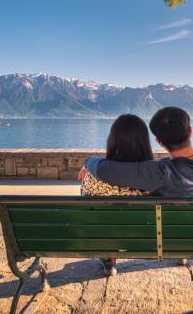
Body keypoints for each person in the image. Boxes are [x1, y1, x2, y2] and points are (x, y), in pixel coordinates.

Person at [79, 106, 193, 198]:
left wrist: (88, 161)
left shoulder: (160, 172)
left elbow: (103, 170)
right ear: (190, 131)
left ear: (159, 142)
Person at [79, 114, 154, 276]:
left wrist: (90, 162)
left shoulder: (92, 178)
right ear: (145, 142)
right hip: (144, 238)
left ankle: (109, 257)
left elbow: (86, 207)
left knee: (105, 222)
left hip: (103, 235)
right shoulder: (155, 175)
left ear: (112, 140)